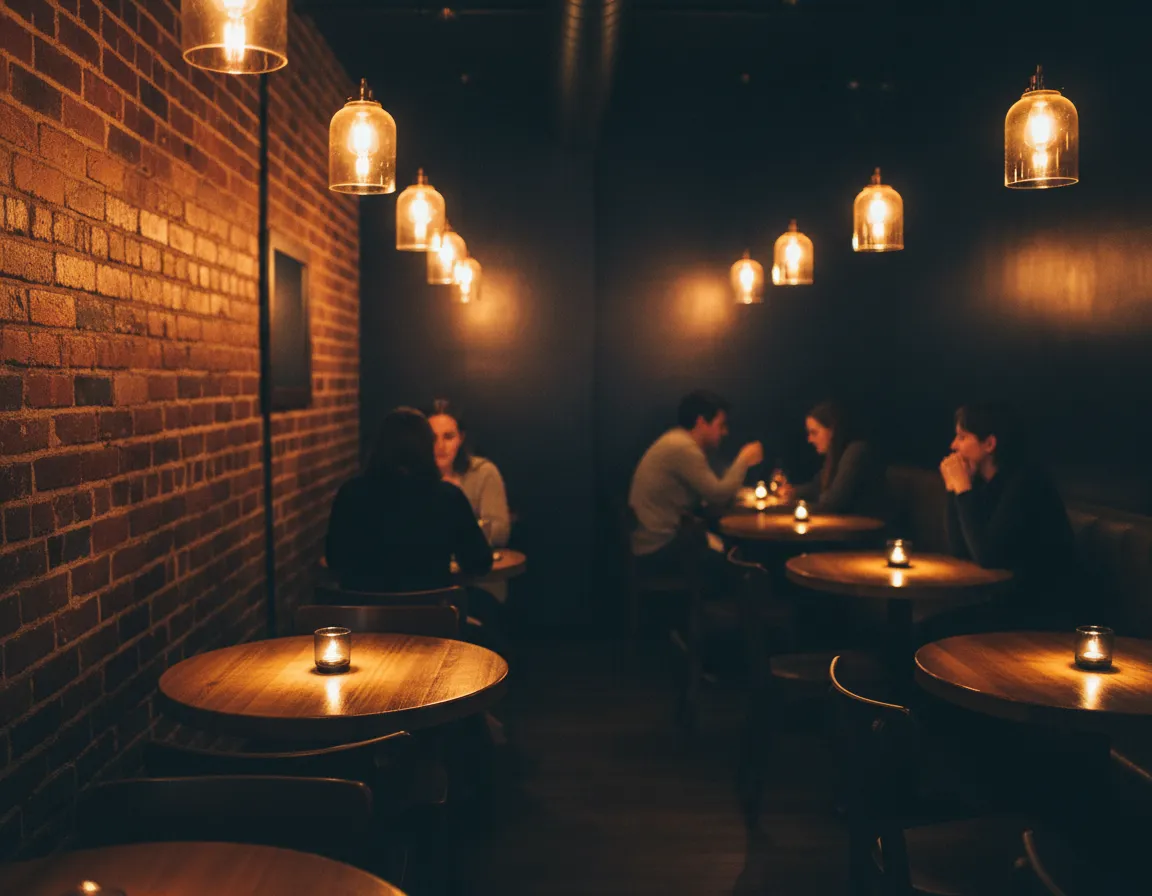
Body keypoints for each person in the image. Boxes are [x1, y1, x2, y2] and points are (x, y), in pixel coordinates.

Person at [326, 407, 493, 591]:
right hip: (430, 616)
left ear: (379, 446)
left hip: (363, 616)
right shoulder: (448, 497)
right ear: (427, 447)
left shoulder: (351, 493)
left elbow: (334, 560)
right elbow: (479, 563)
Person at [939, 403, 1077, 624]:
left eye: (962, 437)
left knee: (925, 637)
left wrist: (963, 490)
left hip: (1040, 611)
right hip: (1004, 601)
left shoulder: (1026, 482)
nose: (953, 445)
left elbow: (987, 556)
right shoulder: (987, 484)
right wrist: (953, 489)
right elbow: (959, 549)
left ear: (990, 444)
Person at [629, 390, 763, 574]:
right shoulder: (683, 447)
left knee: (728, 551)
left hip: (656, 542)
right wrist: (744, 460)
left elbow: (710, 494)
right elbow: (718, 495)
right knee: (739, 566)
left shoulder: (678, 441)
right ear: (701, 422)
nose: (725, 432)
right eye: (721, 425)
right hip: (658, 549)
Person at [427, 399, 511, 548]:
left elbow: (499, 532)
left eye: (448, 437)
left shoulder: (482, 472)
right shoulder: (412, 476)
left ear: (461, 438)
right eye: (432, 438)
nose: (440, 446)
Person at [780, 401, 882, 514]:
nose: (809, 439)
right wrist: (793, 492)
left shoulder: (855, 452)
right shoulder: (834, 457)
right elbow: (817, 486)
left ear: (832, 430)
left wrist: (798, 506)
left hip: (866, 528)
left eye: (814, 433)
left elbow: (833, 501)